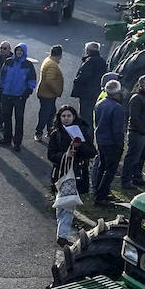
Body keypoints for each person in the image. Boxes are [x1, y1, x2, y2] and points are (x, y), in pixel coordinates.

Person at [47, 105, 96, 245]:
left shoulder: (82, 132)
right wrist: (65, 155)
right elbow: (51, 155)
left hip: (76, 173)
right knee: (62, 204)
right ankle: (61, 232)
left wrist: (80, 146)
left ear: (74, 117)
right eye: (63, 116)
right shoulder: (56, 134)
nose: (66, 118)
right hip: (60, 174)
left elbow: (91, 152)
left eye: (69, 116)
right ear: (59, 118)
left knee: (68, 204)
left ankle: (62, 235)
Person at [0, 44, 37, 151]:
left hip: (19, 97)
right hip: (6, 95)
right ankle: (7, 139)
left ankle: (17, 142)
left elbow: (32, 80)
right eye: (17, 50)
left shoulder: (28, 64)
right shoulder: (9, 61)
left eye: (21, 51)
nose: (19, 52)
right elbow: (2, 75)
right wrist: (1, 87)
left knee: (19, 119)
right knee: (6, 118)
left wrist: (26, 93)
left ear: (24, 52)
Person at [91, 79, 127, 206]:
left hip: (101, 140)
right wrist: (120, 144)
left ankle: (98, 191)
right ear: (117, 92)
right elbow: (117, 130)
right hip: (112, 143)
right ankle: (102, 195)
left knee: (102, 166)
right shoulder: (118, 108)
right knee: (110, 170)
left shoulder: (99, 104)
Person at [120, 74, 145, 189]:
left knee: (141, 157)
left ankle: (137, 178)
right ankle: (126, 181)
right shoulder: (136, 98)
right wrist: (142, 130)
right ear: (143, 85)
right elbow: (134, 117)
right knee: (132, 158)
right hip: (138, 133)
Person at [71, 42, 107, 128]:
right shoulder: (101, 60)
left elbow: (83, 77)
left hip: (87, 93)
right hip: (95, 92)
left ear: (88, 50)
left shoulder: (90, 61)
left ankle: (85, 137)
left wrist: (76, 81)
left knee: (85, 116)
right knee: (91, 116)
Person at [35, 45, 64, 141]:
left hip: (46, 93)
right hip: (48, 94)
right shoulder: (52, 65)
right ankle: (39, 132)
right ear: (60, 55)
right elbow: (50, 80)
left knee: (51, 113)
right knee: (45, 114)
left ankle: (50, 132)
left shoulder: (49, 60)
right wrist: (57, 91)